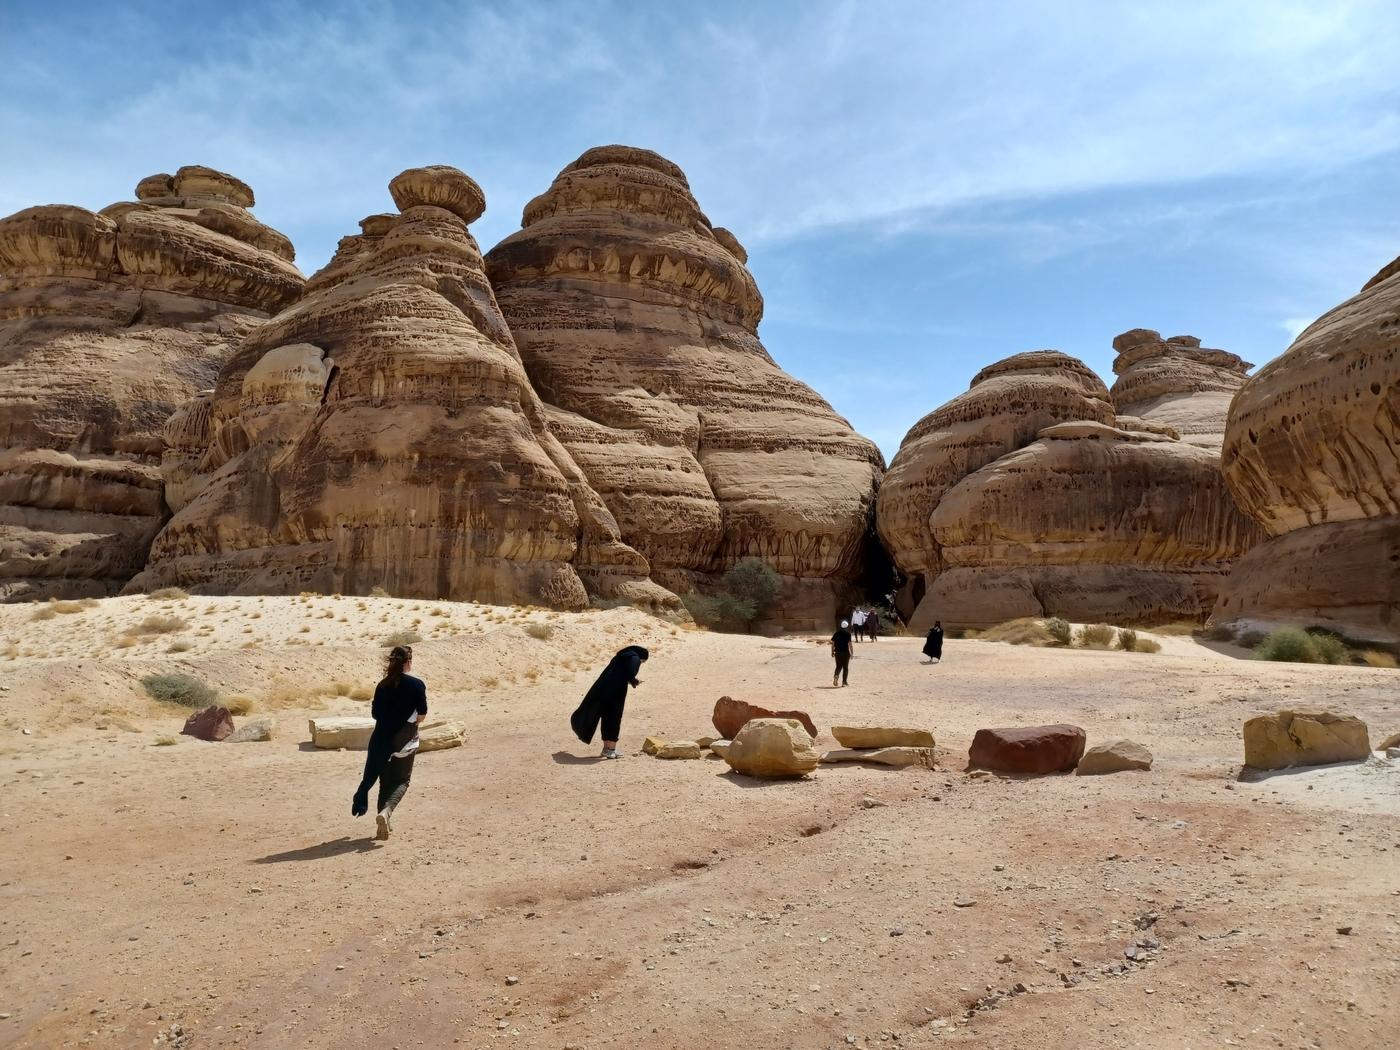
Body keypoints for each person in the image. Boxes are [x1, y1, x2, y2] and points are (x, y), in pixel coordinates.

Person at [352, 644, 427, 841]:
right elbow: (422, 714)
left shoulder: (382, 685)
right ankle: (386, 813)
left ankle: (382, 827)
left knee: (384, 781)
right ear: (408, 662)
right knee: (402, 780)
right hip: (404, 737)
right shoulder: (417, 685)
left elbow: (375, 714)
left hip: (381, 738)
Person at [571, 645, 648, 758]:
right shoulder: (635, 658)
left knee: (607, 718)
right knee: (614, 719)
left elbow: (622, 673)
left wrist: (632, 680)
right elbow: (630, 672)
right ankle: (610, 749)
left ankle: (607, 749)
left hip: (605, 689)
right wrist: (634, 680)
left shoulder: (621, 657)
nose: (640, 663)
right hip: (615, 692)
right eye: (643, 662)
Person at [831, 619, 853, 687]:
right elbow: (850, 644)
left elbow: (833, 644)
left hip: (837, 652)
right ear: (847, 626)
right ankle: (844, 682)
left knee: (838, 666)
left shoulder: (836, 633)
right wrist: (852, 653)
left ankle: (836, 676)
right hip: (846, 653)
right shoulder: (848, 634)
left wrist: (832, 652)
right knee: (845, 667)